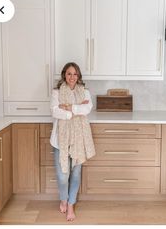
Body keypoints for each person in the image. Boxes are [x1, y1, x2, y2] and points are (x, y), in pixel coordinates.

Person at [50, 62, 96, 221]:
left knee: (75, 174)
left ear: (78, 76)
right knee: (63, 175)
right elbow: (55, 111)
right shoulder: (56, 92)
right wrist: (74, 111)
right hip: (59, 140)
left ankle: (70, 204)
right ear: (64, 75)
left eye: (75, 74)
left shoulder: (85, 91)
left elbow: (88, 108)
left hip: (78, 139)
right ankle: (63, 198)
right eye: (69, 74)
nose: (72, 77)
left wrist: (69, 107)